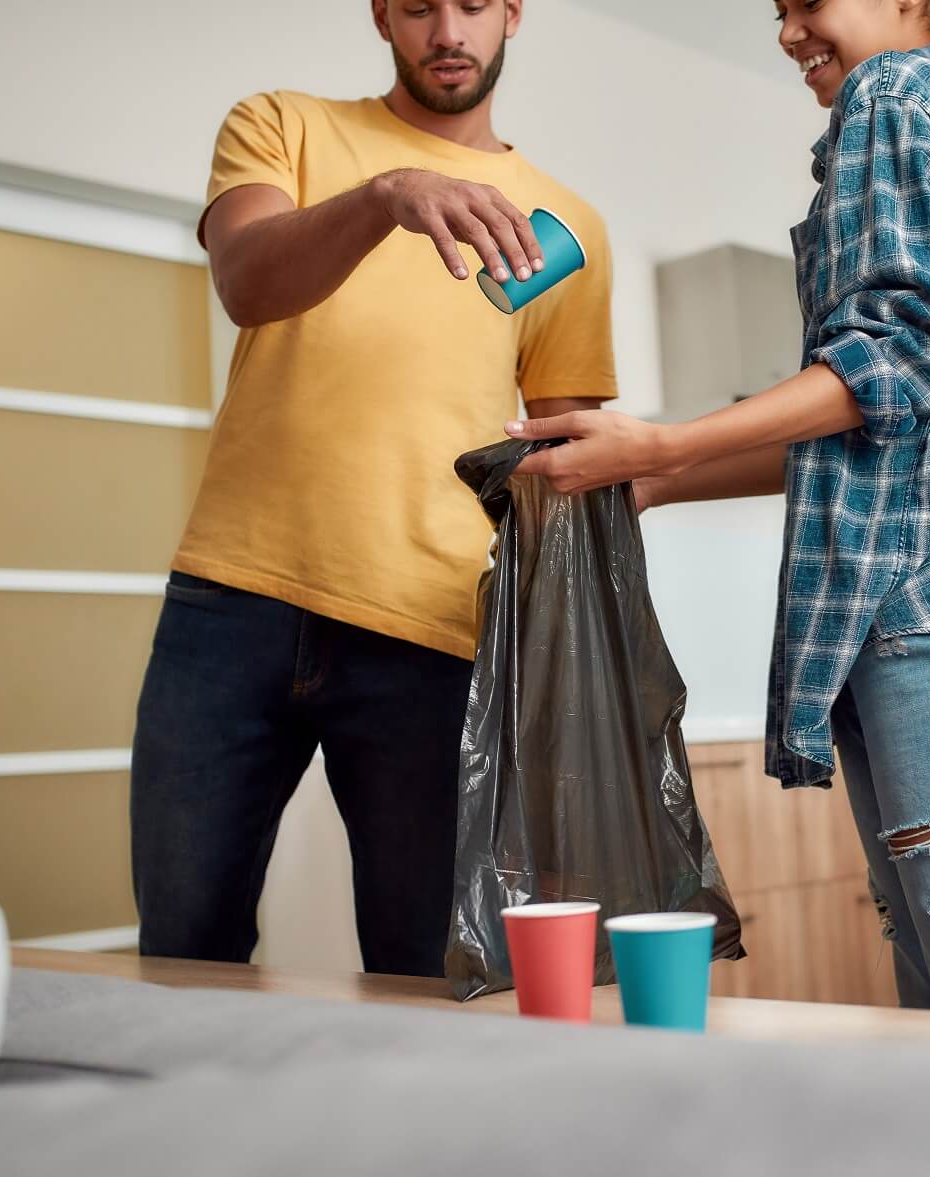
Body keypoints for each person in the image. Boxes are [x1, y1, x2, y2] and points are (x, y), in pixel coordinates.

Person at [508, 0, 930, 1059]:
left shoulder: (896, 96)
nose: (789, 30)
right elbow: (887, 421)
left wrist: (662, 446)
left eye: (808, 0)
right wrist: (657, 479)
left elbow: (894, 359)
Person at [130, 0, 616, 976]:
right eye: (419, 6)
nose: (448, 30)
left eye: (474, 5)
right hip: (233, 601)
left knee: (427, 965)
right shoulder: (282, 125)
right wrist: (382, 197)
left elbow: (569, 463)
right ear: (381, 16)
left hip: (435, 627)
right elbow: (245, 283)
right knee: (186, 950)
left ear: (513, 13)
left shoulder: (569, 229)